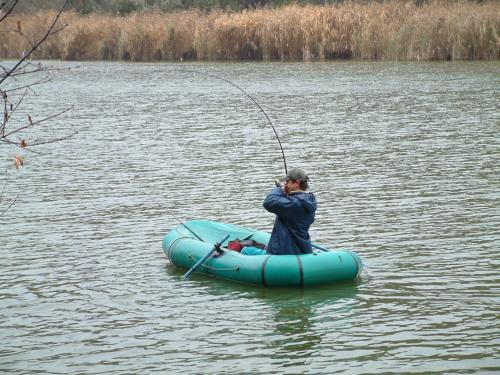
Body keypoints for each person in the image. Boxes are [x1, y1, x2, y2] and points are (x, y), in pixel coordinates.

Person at [262, 167, 317, 255]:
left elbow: (268, 202)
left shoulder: (294, 204)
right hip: (301, 249)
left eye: (287, 182)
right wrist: (287, 194)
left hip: (285, 252)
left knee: (245, 250)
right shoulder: (309, 200)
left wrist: (280, 189)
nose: (286, 184)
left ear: (297, 183)